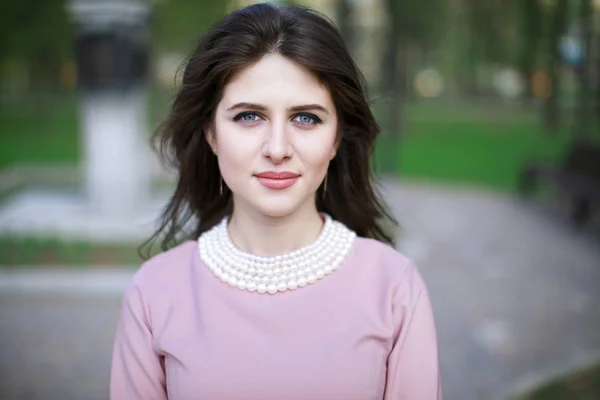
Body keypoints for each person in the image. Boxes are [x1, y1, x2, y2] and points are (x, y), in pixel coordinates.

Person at [110, 3, 441, 399]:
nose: (278, 148)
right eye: (250, 116)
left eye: (306, 118)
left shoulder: (394, 287)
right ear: (211, 133)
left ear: (336, 138)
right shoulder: (154, 292)